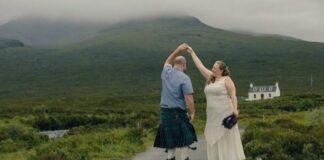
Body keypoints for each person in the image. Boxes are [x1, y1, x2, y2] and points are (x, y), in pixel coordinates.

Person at [186, 46, 245, 160]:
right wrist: (192, 52)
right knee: (212, 136)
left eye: (215, 68)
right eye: (212, 67)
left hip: (224, 113)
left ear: (221, 70)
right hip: (212, 116)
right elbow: (200, 66)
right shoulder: (210, 77)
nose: (212, 69)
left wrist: (235, 110)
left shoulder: (226, 80)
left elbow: (233, 95)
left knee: (224, 138)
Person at [154, 43, 197, 160]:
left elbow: (168, 61)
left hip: (165, 113)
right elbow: (188, 98)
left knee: (171, 144)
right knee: (184, 142)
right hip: (178, 113)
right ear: (184, 64)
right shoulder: (184, 78)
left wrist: (178, 50)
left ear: (174, 64)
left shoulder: (166, 72)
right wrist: (192, 112)